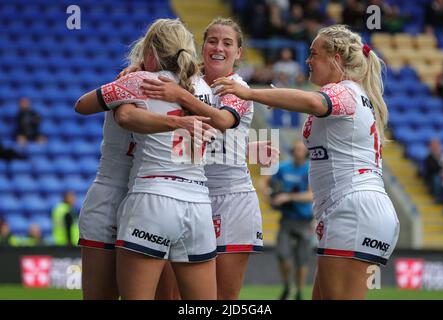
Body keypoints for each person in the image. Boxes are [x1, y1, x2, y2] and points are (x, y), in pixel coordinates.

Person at [213, 24, 400, 300]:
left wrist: (249, 92)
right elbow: (310, 103)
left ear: (336, 59)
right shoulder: (353, 94)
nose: (307, 60)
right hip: (352, 209)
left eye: (314, 54)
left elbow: (313, 102)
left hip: (354, 210)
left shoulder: (344, 91)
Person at [75, 18, 218, 300]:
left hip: (144, 194)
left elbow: (86, 106)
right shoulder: (202, 88)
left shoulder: (136, 81)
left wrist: (128, 80)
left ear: (150, 52)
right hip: (189, 197)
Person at [138, 17, 272, 300]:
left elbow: (223, 120)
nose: (218, 48)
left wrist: (180, 96)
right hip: (185, 195)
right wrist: (134, 69)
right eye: (212, 41)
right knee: (169, 295)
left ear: (239, 53)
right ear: (202, 47)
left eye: (227, 43)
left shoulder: (237, 87)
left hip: (232, 200)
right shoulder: (187, 81)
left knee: (220, 299)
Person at [266, 140, 313, 300]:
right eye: (296, 149)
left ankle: (299, 291)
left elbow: (310, 195)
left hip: (304, 220)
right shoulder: (283, 167)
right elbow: (267, 183)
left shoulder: (310, 169)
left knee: (302, 261)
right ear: (293, 150)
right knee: (283, 255)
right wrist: (269, 195)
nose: (298, 152)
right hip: (286, 219)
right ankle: (287, 286)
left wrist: (287, 196)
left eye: (301, 149)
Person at [423, 138, 443, 202]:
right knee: (437, 179)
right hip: (433, 176)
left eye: (437, 145)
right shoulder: (429, 156)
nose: (435, 147)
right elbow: (433, 169)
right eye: (434, 145)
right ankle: (437, 197)